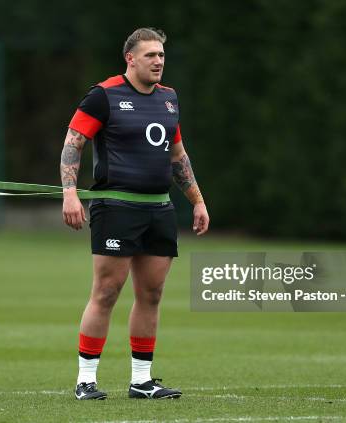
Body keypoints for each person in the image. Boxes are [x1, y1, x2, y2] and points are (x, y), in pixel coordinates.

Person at [60, 27, 209, 400]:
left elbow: (178, 156)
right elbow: (73, 144)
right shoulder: (103, 96)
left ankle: (141, 381)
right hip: (116, 208)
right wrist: (70, 193)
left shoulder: (169, 99)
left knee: (152, 294)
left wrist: (197, 200)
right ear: (130, 58)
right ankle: (85, 381)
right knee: (107, 291)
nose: (158, 61)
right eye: (150, 55)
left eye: (161, 55)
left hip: (158, 208)